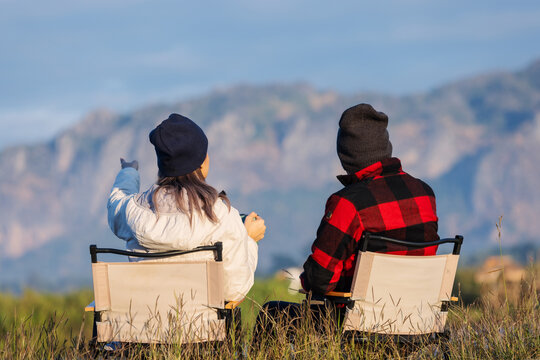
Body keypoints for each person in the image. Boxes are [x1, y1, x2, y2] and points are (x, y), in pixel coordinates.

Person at [254, 103, 438, 335]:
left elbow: (320, 279)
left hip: (360, 326)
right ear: (385, 145)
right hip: (419, 322)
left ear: (346, 155)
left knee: (273, 313)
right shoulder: (425, 193)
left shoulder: (348, 204)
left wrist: (306, 279)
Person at [107, 113, 266, 302]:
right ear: (201, 163)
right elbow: (234, 291)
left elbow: (116, 201)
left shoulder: (131, 211)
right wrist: (248, 240)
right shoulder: (221, 216)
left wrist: (129, 172)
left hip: (143, 326)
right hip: (203, 329)